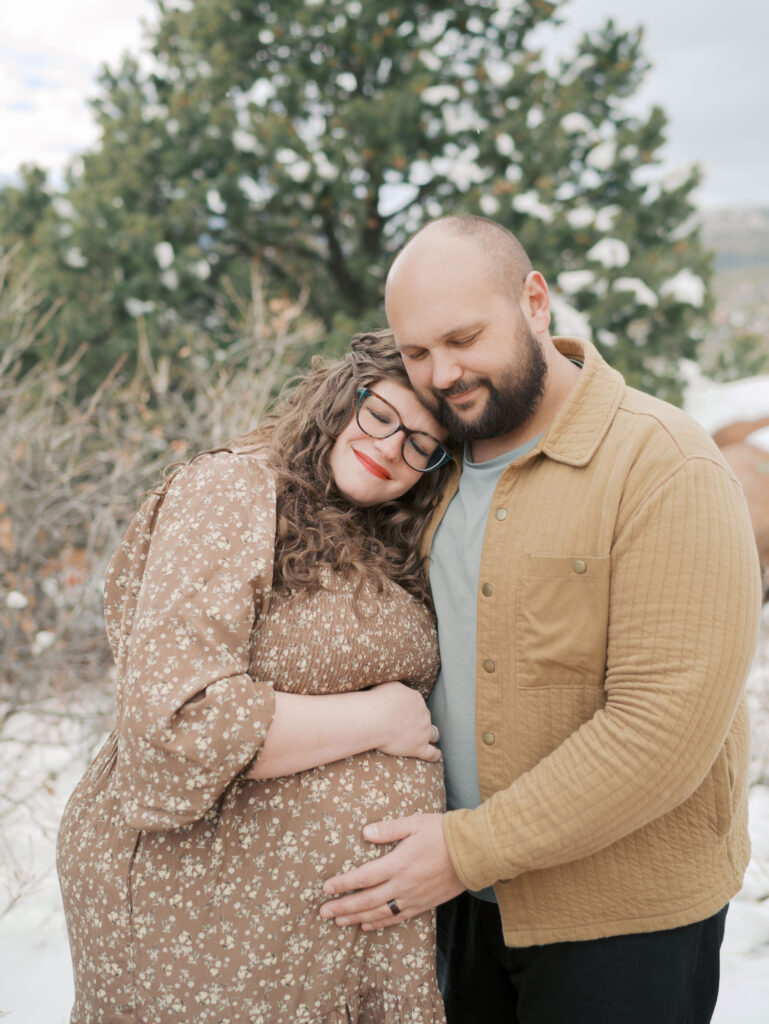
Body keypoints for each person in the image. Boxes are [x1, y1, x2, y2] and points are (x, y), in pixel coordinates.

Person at [319, 215, 763, 1024]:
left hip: (623, 926)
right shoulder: (431, 464)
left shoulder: (665, 465)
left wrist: (463, 851)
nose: (442, 374)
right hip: (460, 907)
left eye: (463, 337)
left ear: (534, 301)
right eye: (417, 353)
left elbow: (663, 731)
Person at [57, 331, 456, 1024]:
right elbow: (175, 721)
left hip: (329, 931)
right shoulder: (235, 487)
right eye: (380, 414)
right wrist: (379, 719)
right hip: (203, 914)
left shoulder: (375, 528)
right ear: (341, 399)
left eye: (422, 444)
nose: (393, 447)